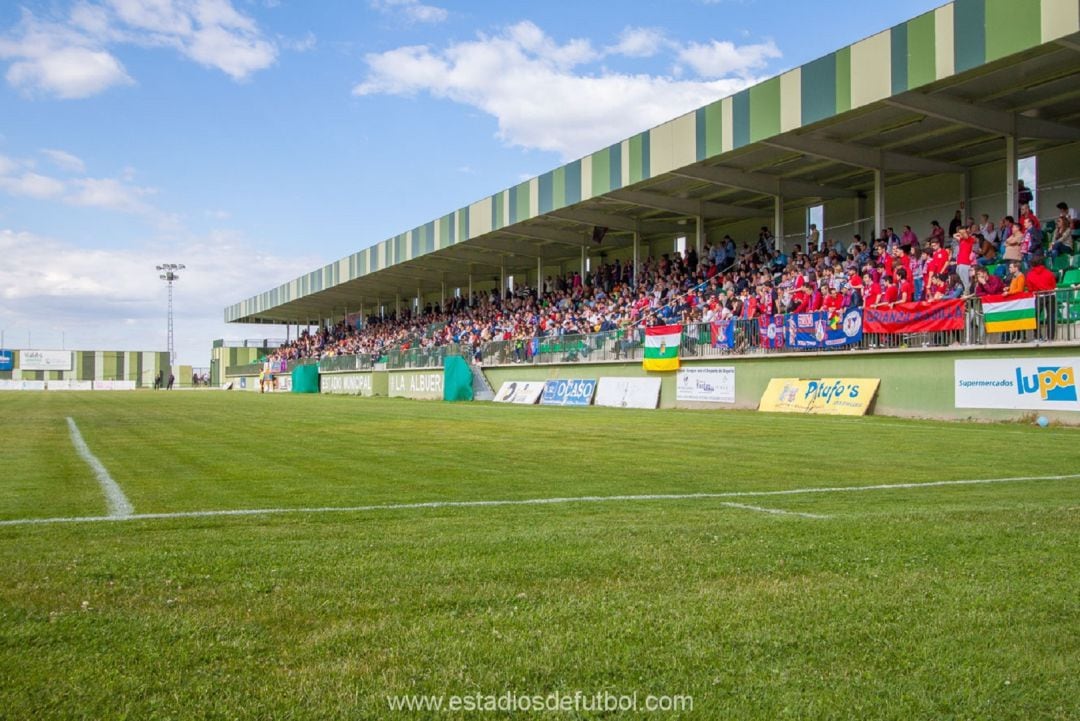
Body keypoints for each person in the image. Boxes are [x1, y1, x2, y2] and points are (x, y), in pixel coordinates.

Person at [1025, 255, 1057, 341]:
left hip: (1038, 297)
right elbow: (1053, 285)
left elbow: (1030, 288)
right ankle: (1050, 337)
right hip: (1050, 296)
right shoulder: (1049, 272)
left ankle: (1038, 336)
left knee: (1035, 317)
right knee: (1051, 317)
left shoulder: (1029, 275)